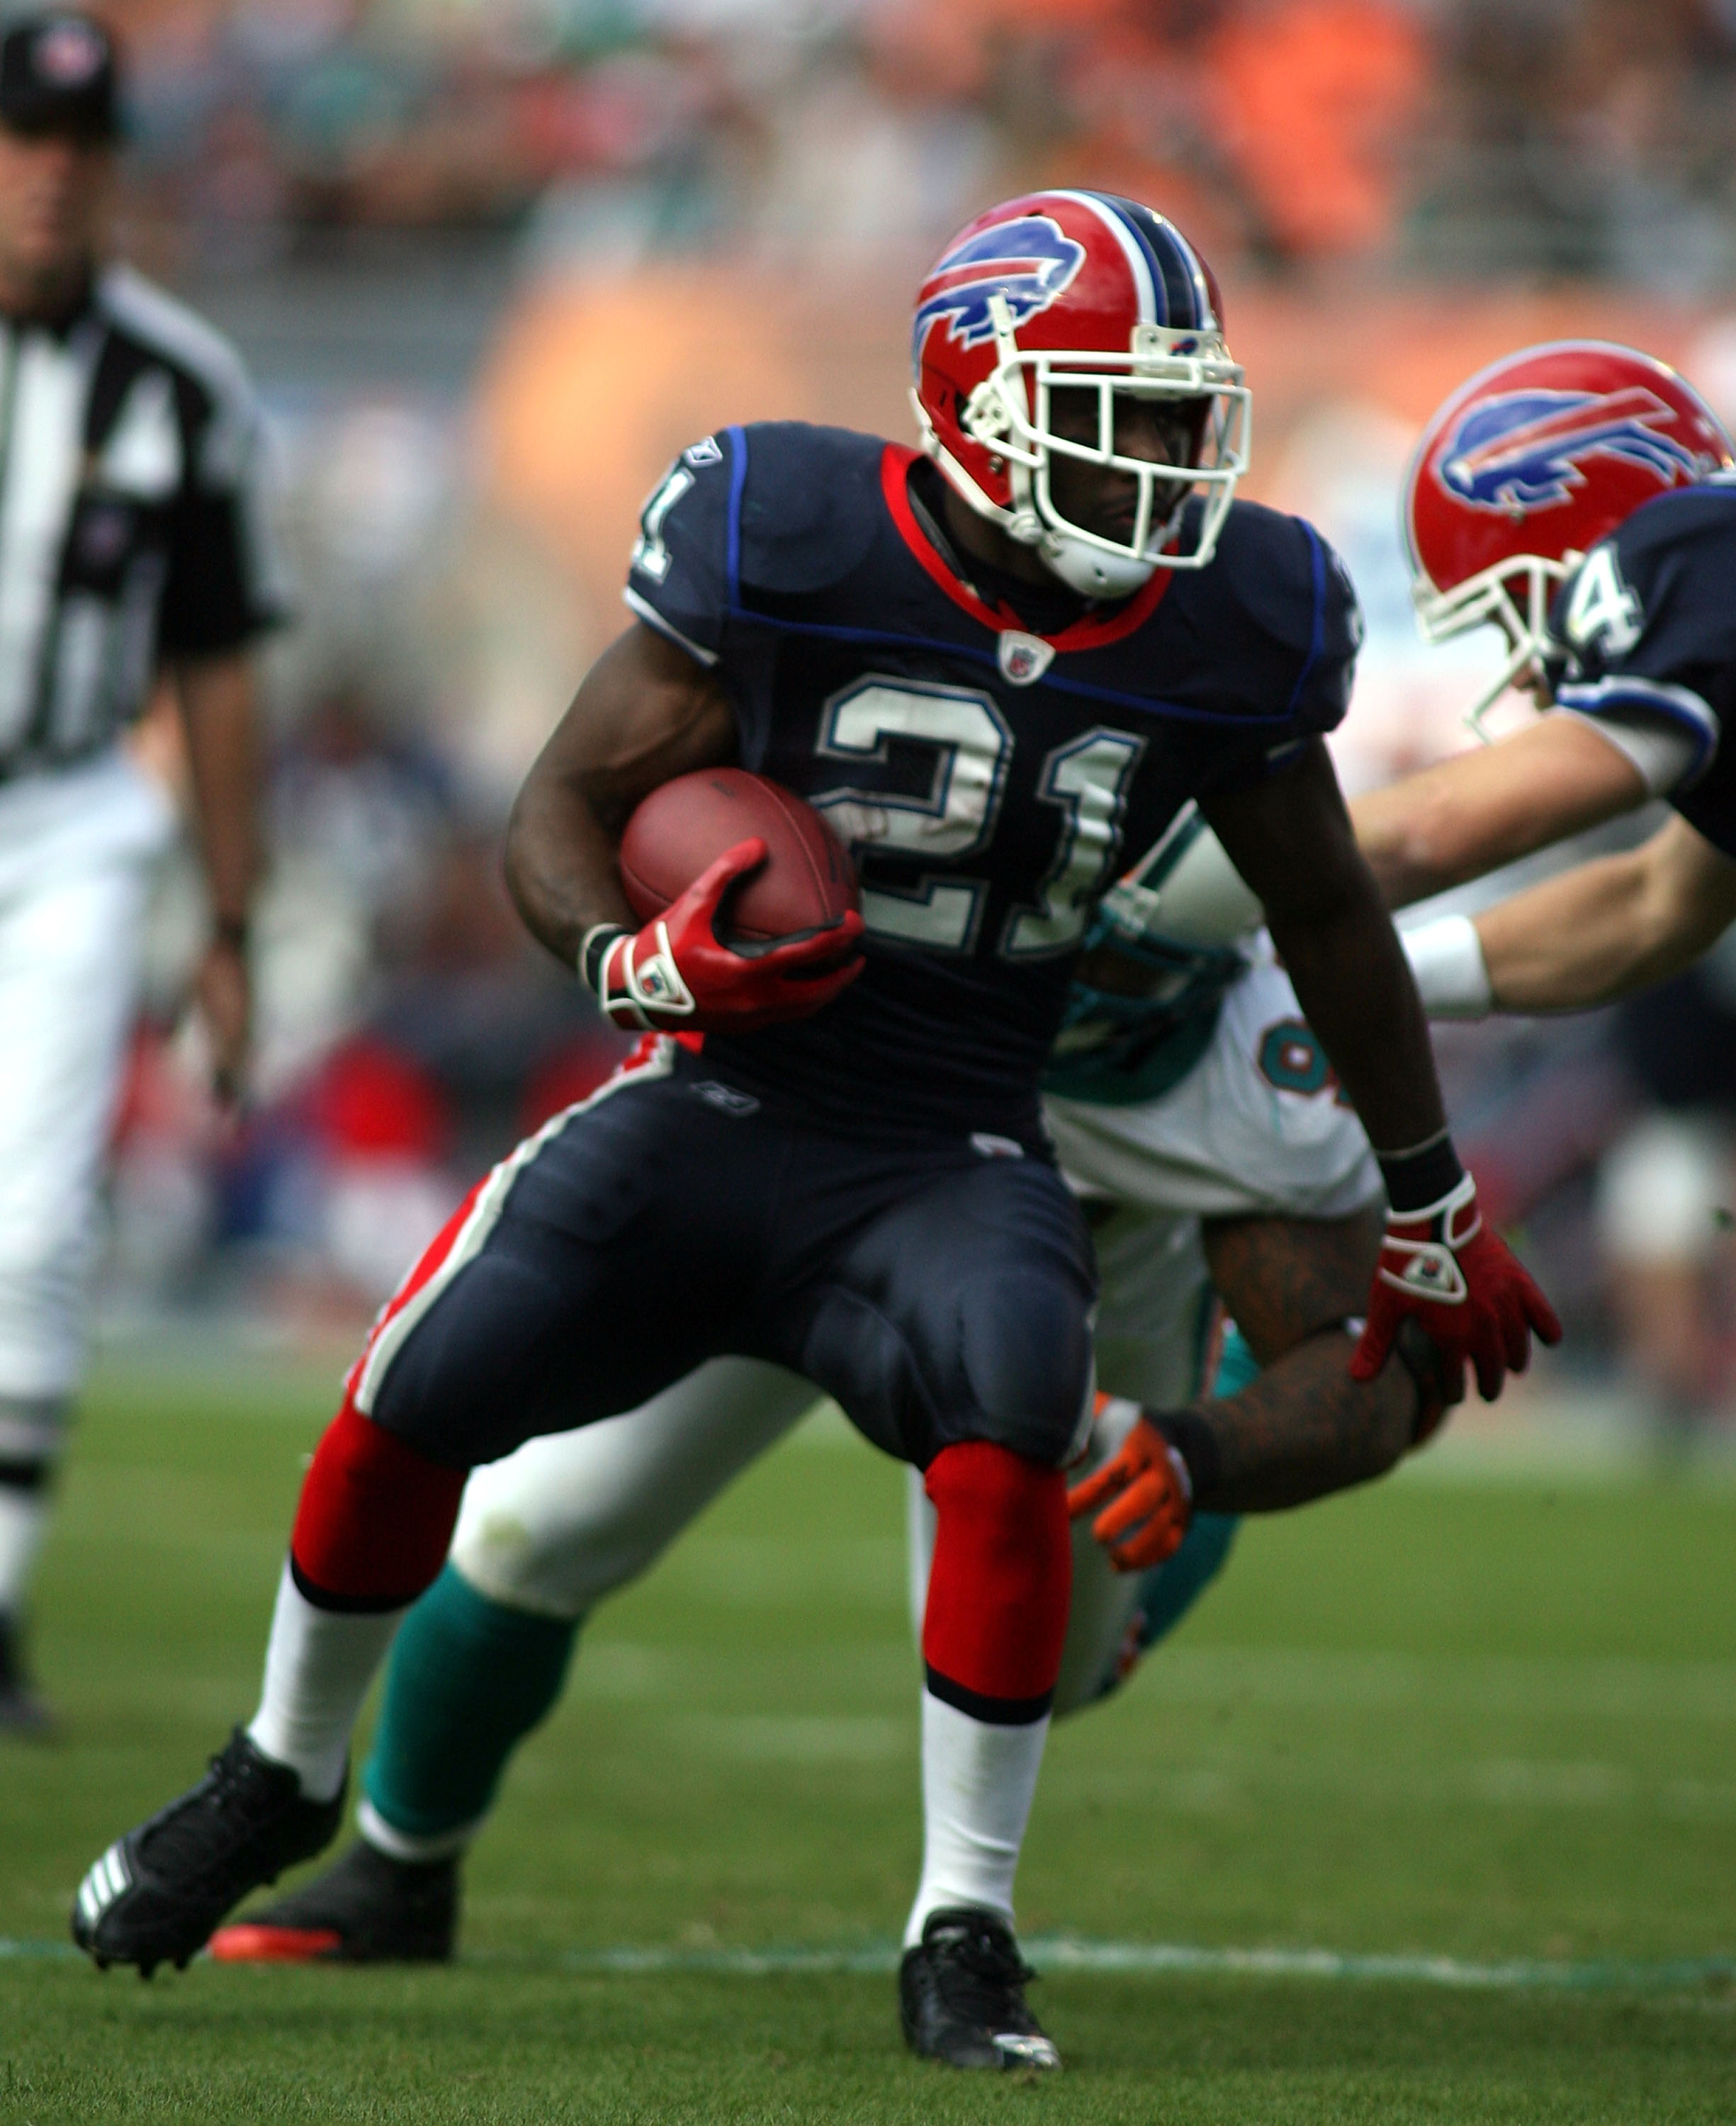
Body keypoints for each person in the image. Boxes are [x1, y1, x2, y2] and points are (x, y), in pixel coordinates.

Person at [72, 191, 1552, 2072]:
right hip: (780, 1106)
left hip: (1005, 1175)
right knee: (523, 1517)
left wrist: (1367, 1254)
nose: (1167, 468)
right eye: (1122, 414)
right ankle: (380, 1852)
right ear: (980, 400)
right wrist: (635, 961)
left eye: (1184, 421)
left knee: (1042, 1519)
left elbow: (1340, 945)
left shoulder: (1238, 718)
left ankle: (970, 1906)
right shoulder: (798, 535)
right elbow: (576, 801)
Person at [199, 813, 1461, 1985]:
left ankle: (1188, 1414)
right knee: (534, 1530)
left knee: (1054, 1671)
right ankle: (400, 1872)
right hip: (809, 1208)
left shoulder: (1257, 1065)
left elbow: (1361, 1372)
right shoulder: (913, 887)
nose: (1087, 991)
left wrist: (1204, 1448)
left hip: (1052, 1330)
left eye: (1128, 968)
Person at [0, 12, 280, 1731]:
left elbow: (222, 663)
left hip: (75, 821)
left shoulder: (179, 384)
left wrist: (233, 922)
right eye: (24, 144)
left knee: (31, 1223)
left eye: (78, 153)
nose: (48, 180)